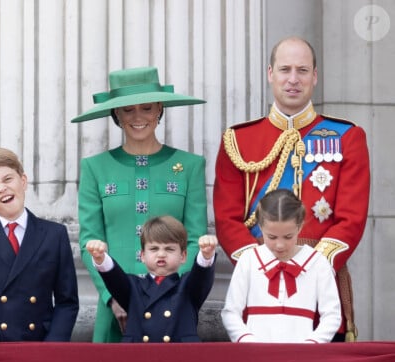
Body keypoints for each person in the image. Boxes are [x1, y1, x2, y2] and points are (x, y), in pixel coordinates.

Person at [213, 37, 370, 342]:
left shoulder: (347, 137)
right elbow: (227, 219)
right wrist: (261, 267)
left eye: (302, 70)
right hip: (258, 288)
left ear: (315, 76)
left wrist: (310, 268)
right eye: (285, 69)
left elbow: (351, 219)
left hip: (321, 288)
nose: (293, 79)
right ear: (270, 73)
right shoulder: (238, 140)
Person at [72, 66, 208, 342]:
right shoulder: (95, 168)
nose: (138, 117)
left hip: (174, 307)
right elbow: (90, 241)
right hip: (116, 309)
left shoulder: (191, 167)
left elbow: (194, 239)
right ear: (116, 115)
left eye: (146, 108)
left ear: (159, 109)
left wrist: (173, 293)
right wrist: (113, 296)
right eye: (127, 110)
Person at [0, 148, 79, 342]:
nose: (1, 188)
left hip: (39, 343)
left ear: (23, 181)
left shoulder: (54, 234)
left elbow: (67, 302)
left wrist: (53, 348)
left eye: (7, 179)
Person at [221, 189, 341, 343]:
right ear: (260, 226)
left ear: (300, 226)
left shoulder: (317, 262)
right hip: (255, 355)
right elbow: (230, 312)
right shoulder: (249, 260)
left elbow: (332, 314)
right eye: (271, 237)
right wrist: (247, 341)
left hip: (302, 356)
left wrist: (313, 343)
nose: (279, 245)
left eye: (288, 237)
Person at [86, 215, 217, 343]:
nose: (161, 254)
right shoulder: (133, 286)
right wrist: (100, 258)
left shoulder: (188, 286)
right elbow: (114, 278)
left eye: (169, 249)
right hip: (139, 358)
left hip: (180, 359)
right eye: (154, 249)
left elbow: (201, 276)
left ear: (183, 256)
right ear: (142, 255)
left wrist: (206, 255)